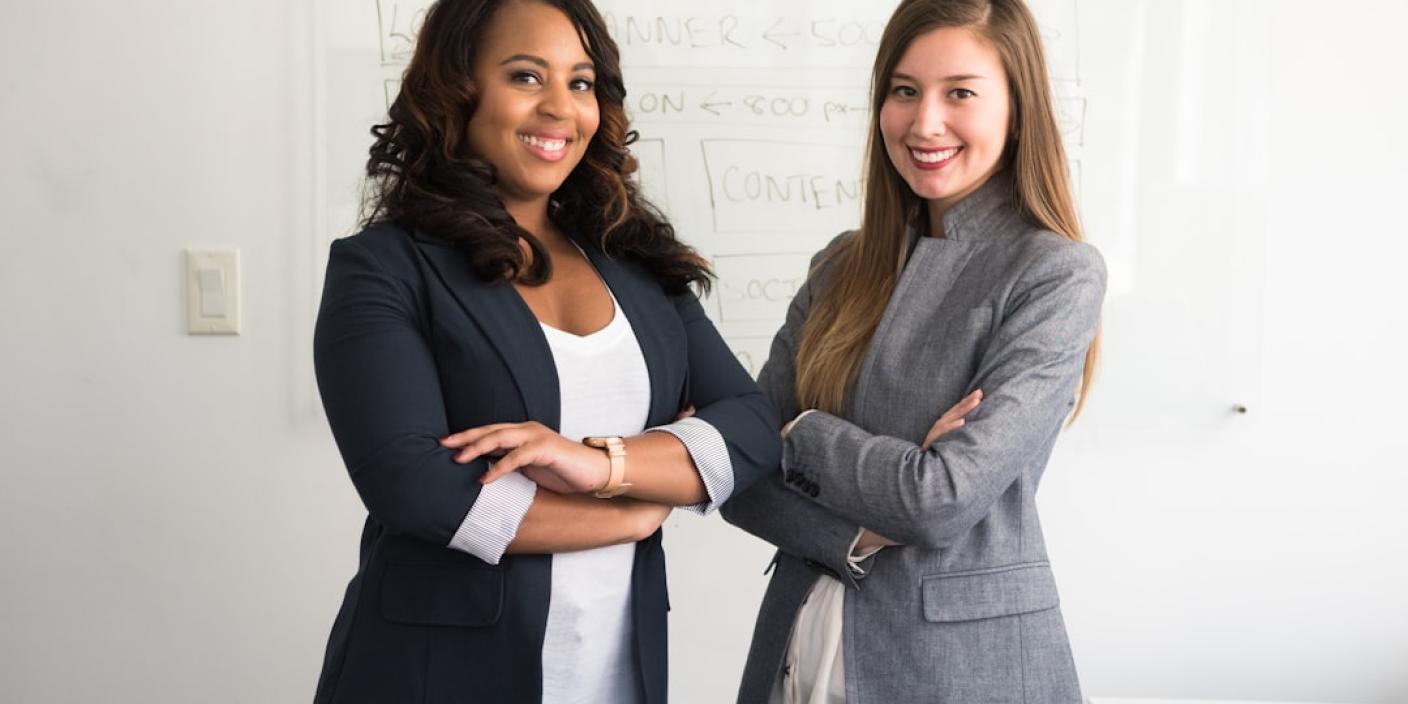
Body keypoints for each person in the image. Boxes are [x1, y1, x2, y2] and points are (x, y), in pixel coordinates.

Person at [310, 1, 780, 702]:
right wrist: (634, 510)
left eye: (580, 82)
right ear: (459, 88)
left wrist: (600, 466)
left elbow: (751, 427)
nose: (560, 107)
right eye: (526, 76)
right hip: (437, 676)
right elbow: (415, 487)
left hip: (616, 675)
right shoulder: (384, 268)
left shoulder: (638, 266)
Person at [721, 0, 1106, 701]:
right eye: (904, 91)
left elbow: (939, 499)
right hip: (796, 649)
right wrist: (863, 530)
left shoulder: (1054, 273)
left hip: (958, 669)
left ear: (1018, 109)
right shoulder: (839, 266)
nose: (925, 122)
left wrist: (798, 432)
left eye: (960, 93)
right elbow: (739, 477)